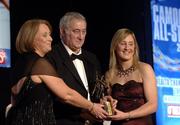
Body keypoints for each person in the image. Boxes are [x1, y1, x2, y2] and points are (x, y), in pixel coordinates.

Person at [7, 19, 108, 125]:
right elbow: (67, 95)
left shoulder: (19, 64)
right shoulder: (39, 64)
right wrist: (92, 106)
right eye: (45, 35)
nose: (50, 39)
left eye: (49, 35)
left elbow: (14, 102)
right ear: (31, 38)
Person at [46, 11, 104, 125]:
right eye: (76, 31)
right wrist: (88, 108)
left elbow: (96, 91)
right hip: (66, 121)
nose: (81, 37)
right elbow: (57, 96)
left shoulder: (92, 58)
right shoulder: (51, 56)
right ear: (62, 32)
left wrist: (104, 100)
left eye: (84, 31)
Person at [105, 28, 157, 125]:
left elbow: (153, 105)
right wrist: (107, 104)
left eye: (130, 44)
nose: (127, 48)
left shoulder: (145, 69)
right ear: (115, 47)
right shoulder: (109, 74)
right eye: (123, 43)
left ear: (135, 47)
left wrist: (127, 115)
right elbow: (110, 110)